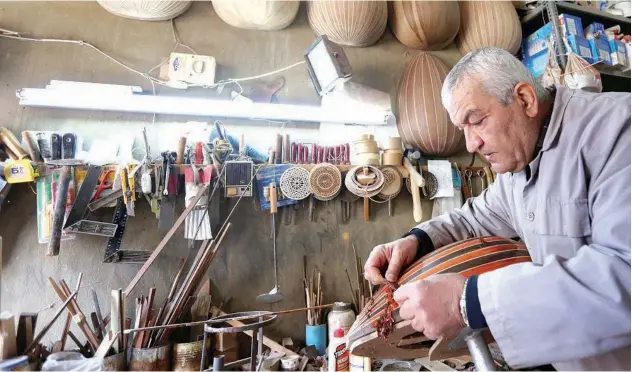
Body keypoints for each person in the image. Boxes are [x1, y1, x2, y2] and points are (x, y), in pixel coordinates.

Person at [364, 47, 630, 371]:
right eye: (462, 128)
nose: (470, 144)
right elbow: (475, 218)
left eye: (476, 121)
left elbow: (623, 275)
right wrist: (416, 241)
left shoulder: (617, 130)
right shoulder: (520, 163)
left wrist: (468, 301)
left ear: (525, 99)